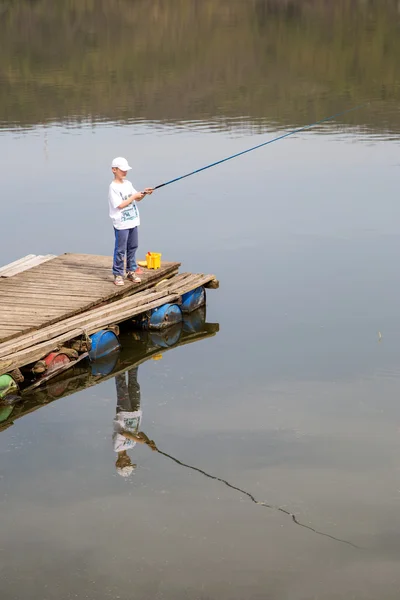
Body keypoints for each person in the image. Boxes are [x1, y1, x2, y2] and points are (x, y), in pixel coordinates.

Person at [108, 157, 153, 286]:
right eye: (122, 170)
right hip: (121, 223)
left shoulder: (128, 184)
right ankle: (117, 274)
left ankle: (131, 271)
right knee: (120, 249)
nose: (125, 172)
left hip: (133, 221)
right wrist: (134, 196)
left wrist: (143, 193)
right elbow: (120, 205)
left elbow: (136, 199)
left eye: (126, 170)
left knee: (133, 246)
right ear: (114, 170)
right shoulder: (113, 187)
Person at [113, 366, 156, 478]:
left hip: (124, 412)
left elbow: (123, 433)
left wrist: (137, 440)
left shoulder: (117, 447)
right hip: (135, 413)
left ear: (118, 463)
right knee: (134, 384)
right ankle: (133, 363)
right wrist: (148, 442)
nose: (128, 461)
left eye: (126, 464)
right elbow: (140, 433)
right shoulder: (131, 445)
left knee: (122, 386)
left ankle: (119, 363)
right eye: (129, 463)